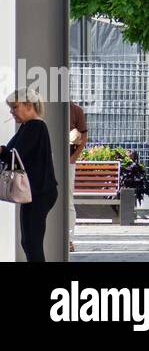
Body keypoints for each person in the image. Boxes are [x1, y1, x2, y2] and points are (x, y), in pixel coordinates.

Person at [2, 89, 58, 262]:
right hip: (36, 192)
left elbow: (16, 155)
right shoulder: (28, 127)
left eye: (15, 107)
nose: (12, 111)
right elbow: (12, 154)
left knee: (31, 243)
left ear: (28, 105)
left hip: (39, 192)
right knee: (29, 242)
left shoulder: (35, 126)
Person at [68, 100, 87, 254]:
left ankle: (68, 239)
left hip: (67, 161)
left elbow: (83, 135)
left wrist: (73, 158)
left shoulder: (76, 110)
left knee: (67, 201)